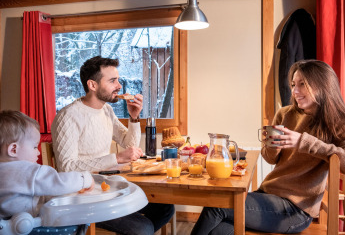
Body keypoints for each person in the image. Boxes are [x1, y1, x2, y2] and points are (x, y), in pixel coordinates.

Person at [191, 59, 345, 235]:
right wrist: (270, 144)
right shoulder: (285, 114)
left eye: (302, 84)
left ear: (322, 85)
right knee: (219, 230)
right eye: (293, 84)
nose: (295, 91)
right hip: (268, 194)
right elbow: (270, 158)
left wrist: (303, 142)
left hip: (295, 210)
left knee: (217, 206)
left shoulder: (337, 122)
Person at [51, 56, 174, 235]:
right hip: (82, 197)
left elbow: (129, 144)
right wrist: (115, 158)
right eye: (112, 81)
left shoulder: (106, 110)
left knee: (165, 209)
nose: (119, 86)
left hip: (106, 187)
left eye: (117, 79)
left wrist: (134, 118)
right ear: (92, 85)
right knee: (143, 228)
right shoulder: (68, 117)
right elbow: (66, 168)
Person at [0, 110, 94, 235]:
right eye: (34, 147)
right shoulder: (28, 171)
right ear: (13, 149)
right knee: (81, 218)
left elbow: (29, 194)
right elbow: (59, 183)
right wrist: (85, 179)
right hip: (25, 230)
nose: (38, 152)